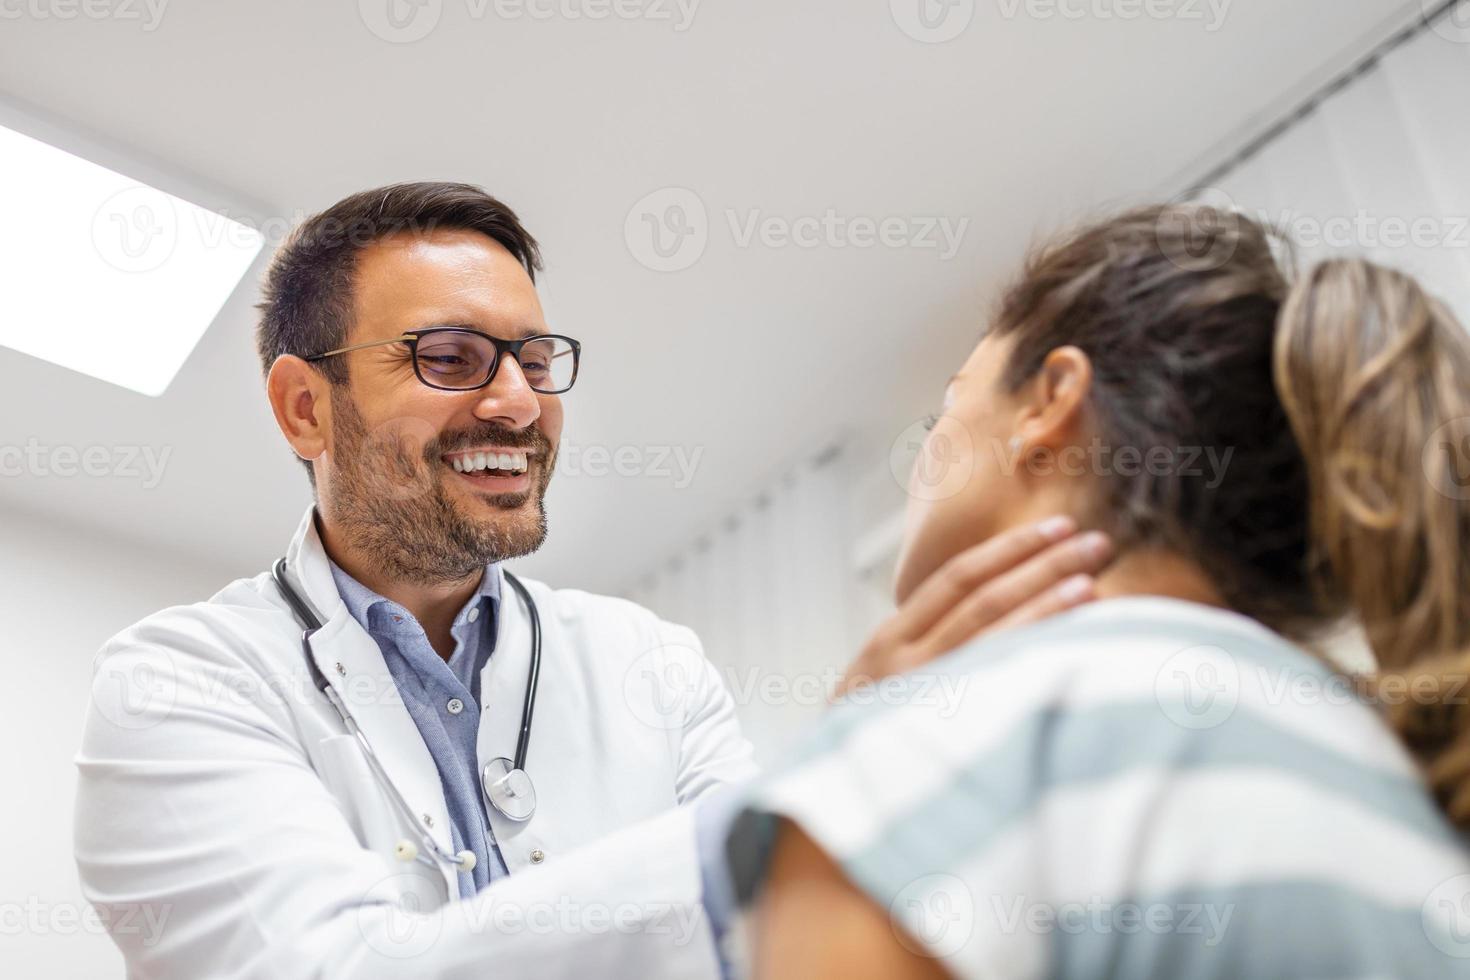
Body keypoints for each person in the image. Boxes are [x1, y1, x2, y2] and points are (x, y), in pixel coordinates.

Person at [73, 181, 1114, 978]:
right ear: (305, 407)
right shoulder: (181, 683)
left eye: (534, 356)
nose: (519, 403)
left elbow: (759, 945)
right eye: (449, 357)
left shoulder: (650, 664)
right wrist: (801, 803)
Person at [729, 204, 1470, 978]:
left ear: (1051, 402)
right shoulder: (1398, 776)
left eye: (945, 410)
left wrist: (850, 770)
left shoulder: (927, 754)